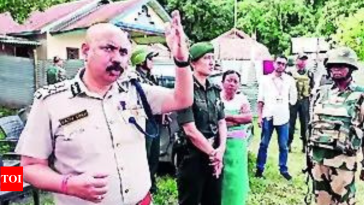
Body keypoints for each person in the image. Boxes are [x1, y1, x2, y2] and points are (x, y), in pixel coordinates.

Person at [15, 10, 193, 205]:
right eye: (108, 48)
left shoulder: (136, 91)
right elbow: (29, 167)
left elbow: (182, 99)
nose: (117, 58)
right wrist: (67, 184)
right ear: (85, 50)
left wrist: (181, 60)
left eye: (123, 52)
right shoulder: (51, 102)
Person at [307, 47, 364, 205]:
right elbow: (312, 126)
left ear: (351, 68)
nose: (336, 69)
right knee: (321, 202)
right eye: (333, 65)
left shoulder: (360, 95)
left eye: (341, 65)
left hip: (344, 163)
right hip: (319, 161)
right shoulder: (321, 93)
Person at [176, 42, 227, 205]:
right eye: (206, 58)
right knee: (190, 200)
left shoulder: (215, 89)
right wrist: (213, 154)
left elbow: (221, 121)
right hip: (192, 155)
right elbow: (190, 130)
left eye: (212, 58)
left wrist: (221, 150)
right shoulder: (185, 89)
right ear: (193, 63)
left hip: (214, 153)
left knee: (213, 199)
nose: (211, 62)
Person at [255, 55, 297, 180]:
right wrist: (259, 116)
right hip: (268, 115)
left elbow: (293, 99)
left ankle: (283, 169)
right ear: (274, 63)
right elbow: (260, 99)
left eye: (283, 64)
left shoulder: (289, 80)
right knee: (263, 144)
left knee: (283, 145)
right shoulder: (265, 79)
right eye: (279, 63)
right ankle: (259, 168)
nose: (281, 66)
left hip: (283, 116)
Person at [130, 46, 162, 193]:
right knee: (144, 154)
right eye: (150, 58)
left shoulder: (152, 77)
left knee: (154, 154)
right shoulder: (134, 78)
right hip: (143, 120)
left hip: (155, 119)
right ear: (141, 60)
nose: (152, 61)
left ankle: (151, 183)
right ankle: (143, 185)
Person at [220, 70, 252, 205]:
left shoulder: (242, 99)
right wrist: (237, 119)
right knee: (223, 176)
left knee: (236, 177)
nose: (231, 84)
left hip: (238, 145)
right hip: (221, 144)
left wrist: (227, 117)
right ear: (222, 82)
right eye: (229, 80)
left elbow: (248, 118)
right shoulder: (217, 99)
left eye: (235, 82)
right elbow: (216, 122)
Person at [287, 53, 314, 153]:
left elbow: (312, 86)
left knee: (305, 123)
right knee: (290, 123)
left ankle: (305, 145)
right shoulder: (290, 73)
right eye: (301, 59)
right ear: (296, 60)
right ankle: (288, 143)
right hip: (293, 101)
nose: (303, 62)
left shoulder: (310, 73)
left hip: (305, 100)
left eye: (304, 60)